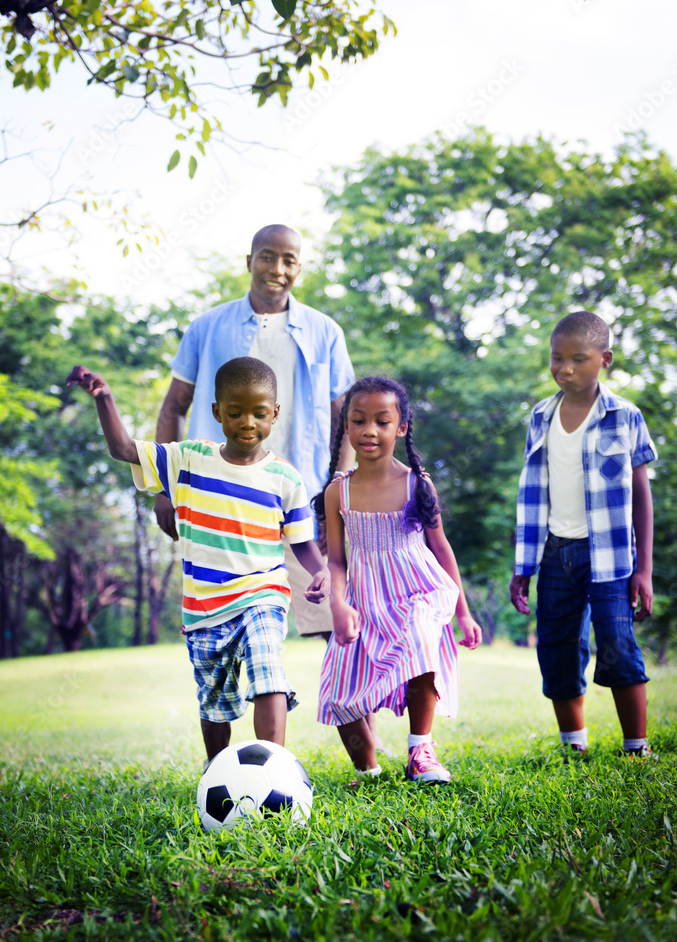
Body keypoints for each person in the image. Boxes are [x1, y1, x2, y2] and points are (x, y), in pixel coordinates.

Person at [66, 357, 329, 762]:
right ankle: (216, 767)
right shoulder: (188, 459)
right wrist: (105, 399)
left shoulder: (286, 478)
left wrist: (320, 571)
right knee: (215, 702)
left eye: (260, 414)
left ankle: (273, 768)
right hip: (204, 607)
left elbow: (301, 541)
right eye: (236, 412)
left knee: (268, 671)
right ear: (216, 412)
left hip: (263, 594)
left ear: (274, 414)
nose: (247, 423)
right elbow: (123, 449)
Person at [154, 223, 355, 638]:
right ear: (249, 261)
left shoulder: (325, 333)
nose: (276, 268)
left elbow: (346, 419)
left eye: (289, 260)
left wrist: (339, 491)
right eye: (267, 256)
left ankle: (353, 706)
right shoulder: (208, 327)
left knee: (335, 624)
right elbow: (174, 405)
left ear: (299, 268)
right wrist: (164, 488)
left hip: (303, 498)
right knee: (229, 631)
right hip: (222, 501)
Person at [312, 377, 483, 782]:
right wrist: (338, 603)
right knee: (339, 694)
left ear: (401, 427)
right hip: (365, 599)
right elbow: (337, 561)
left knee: (423, 645)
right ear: (346, 428)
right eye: (358, 421)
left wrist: (463, 613)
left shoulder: (416, 484)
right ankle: (368, 770)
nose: (369, 430)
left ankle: (419, 751)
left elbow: (441, 549)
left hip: (416, 590)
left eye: (382, 421)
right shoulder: (339, 493)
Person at [509, 311, 657, 759]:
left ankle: (637, 746)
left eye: (578, 359)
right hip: (555, 552)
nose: (565, 369)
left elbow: (641, 496)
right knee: (556, 645)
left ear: (604, 359)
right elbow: (532, 494)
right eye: (557, 358)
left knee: (616, 642)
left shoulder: (625, 416)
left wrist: (645, 570)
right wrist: (523, 568)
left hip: (610, 555)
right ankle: (574, 745)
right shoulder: (540, 416)